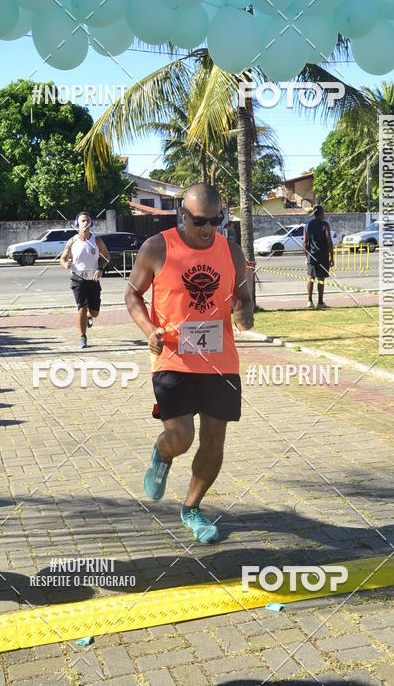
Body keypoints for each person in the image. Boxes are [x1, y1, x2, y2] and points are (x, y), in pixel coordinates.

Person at [125, 183, 254, 544]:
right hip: (172, 358)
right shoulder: (157, 247)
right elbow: (132, 294)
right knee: (181, 437)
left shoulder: (232, 252)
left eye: (216, 220)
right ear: (183, 215)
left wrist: (244, 314)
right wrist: (148, 328)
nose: (208, 228)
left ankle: (193, 509)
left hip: (220, 362)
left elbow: (244, 300)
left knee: (214, 442)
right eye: (200, 221)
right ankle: (162, 453)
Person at [60, 211, 110, 348]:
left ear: (91, 223)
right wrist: (65, 264)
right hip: (77, 278)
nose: (86, 222)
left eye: (88, 220)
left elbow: (106, 256)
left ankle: (89, 316)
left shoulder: (97, 240)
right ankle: (83, 336)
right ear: (77, 224)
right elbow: (63, 258)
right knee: (81, 308)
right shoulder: (72, 241)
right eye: (83, 220)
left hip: (92, 279)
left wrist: (100, 268)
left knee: (95, 312)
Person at [303, 205, 333, 310]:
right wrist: (331, 256)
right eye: (323, 212)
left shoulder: (307, 225)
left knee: (311, 277)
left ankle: (309, 301)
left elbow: (305, 242)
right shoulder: (325, 225)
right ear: (320, 213)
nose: (324, 214)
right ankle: (320, 301)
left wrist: (306, 256)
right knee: (321, 278)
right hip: (323, 255)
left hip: (312, 255)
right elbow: (329, 240)